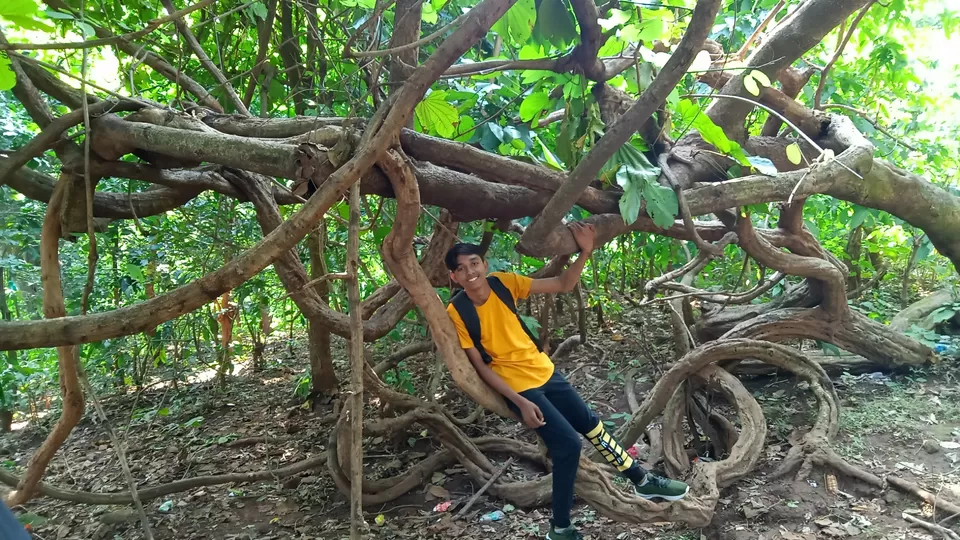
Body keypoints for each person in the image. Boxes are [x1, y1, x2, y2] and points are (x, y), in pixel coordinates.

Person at [444, 222, 688, 540]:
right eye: (461, 269)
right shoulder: (457, 311)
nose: (470, 272)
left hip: (544, 371)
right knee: (568, 445)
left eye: (474, 263)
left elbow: (562, 283)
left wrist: (585, 251)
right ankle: (560, 528)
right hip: (520, 387)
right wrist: (519, 402)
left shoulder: (503, 283)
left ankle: (642, 480)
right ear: (454, 277)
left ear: (484, 264)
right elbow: (480, 368)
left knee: (591, 424)